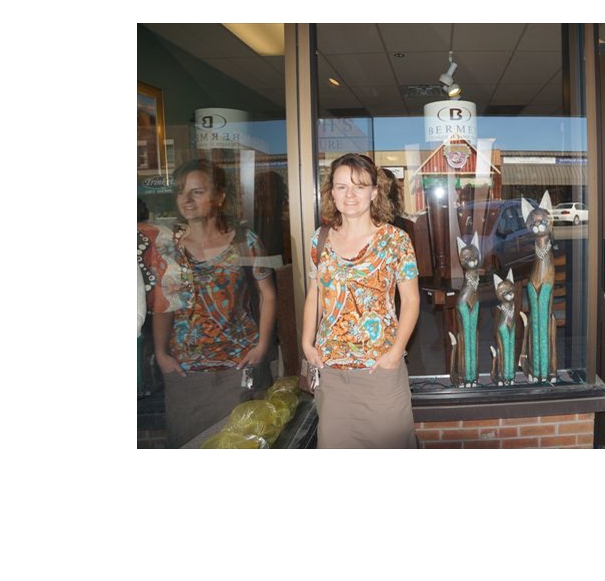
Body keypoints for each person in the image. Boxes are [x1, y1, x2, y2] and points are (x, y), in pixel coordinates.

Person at [148, 159, 277, 448]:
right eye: (182, 192)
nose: (187, 200)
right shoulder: (168, 246)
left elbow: (268, 294)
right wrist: (161, 353)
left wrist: (261, 347)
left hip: (238, 370)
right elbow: (163, 302)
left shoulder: (245, 241)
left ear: (219, 198)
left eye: (197, 192)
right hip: (186, 374)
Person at [302, 153, 420, 449]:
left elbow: (411, 300)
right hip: (332, 373)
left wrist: (395, 353)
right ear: (331, 193)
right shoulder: (320, 239)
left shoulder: (396, 240)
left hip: (379, 371)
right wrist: (307, 343)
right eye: (341, 187)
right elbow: (315, 292)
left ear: (374, 192)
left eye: (359, 186)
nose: (350, 194)